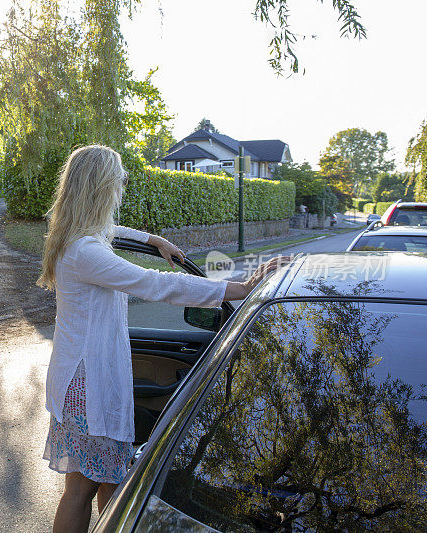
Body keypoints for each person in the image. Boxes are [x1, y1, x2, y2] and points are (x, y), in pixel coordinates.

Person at [38, 145, 288, 533]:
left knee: (106, 480)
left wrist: (153, 238)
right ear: (101, 186)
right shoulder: (87, 252)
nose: (123, 184)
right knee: (83, 487)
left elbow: (112, 231)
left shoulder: (75, 235)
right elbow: (157, 284)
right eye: (118, 178)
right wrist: (240, 288)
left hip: (82, 378)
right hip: (89, 385)